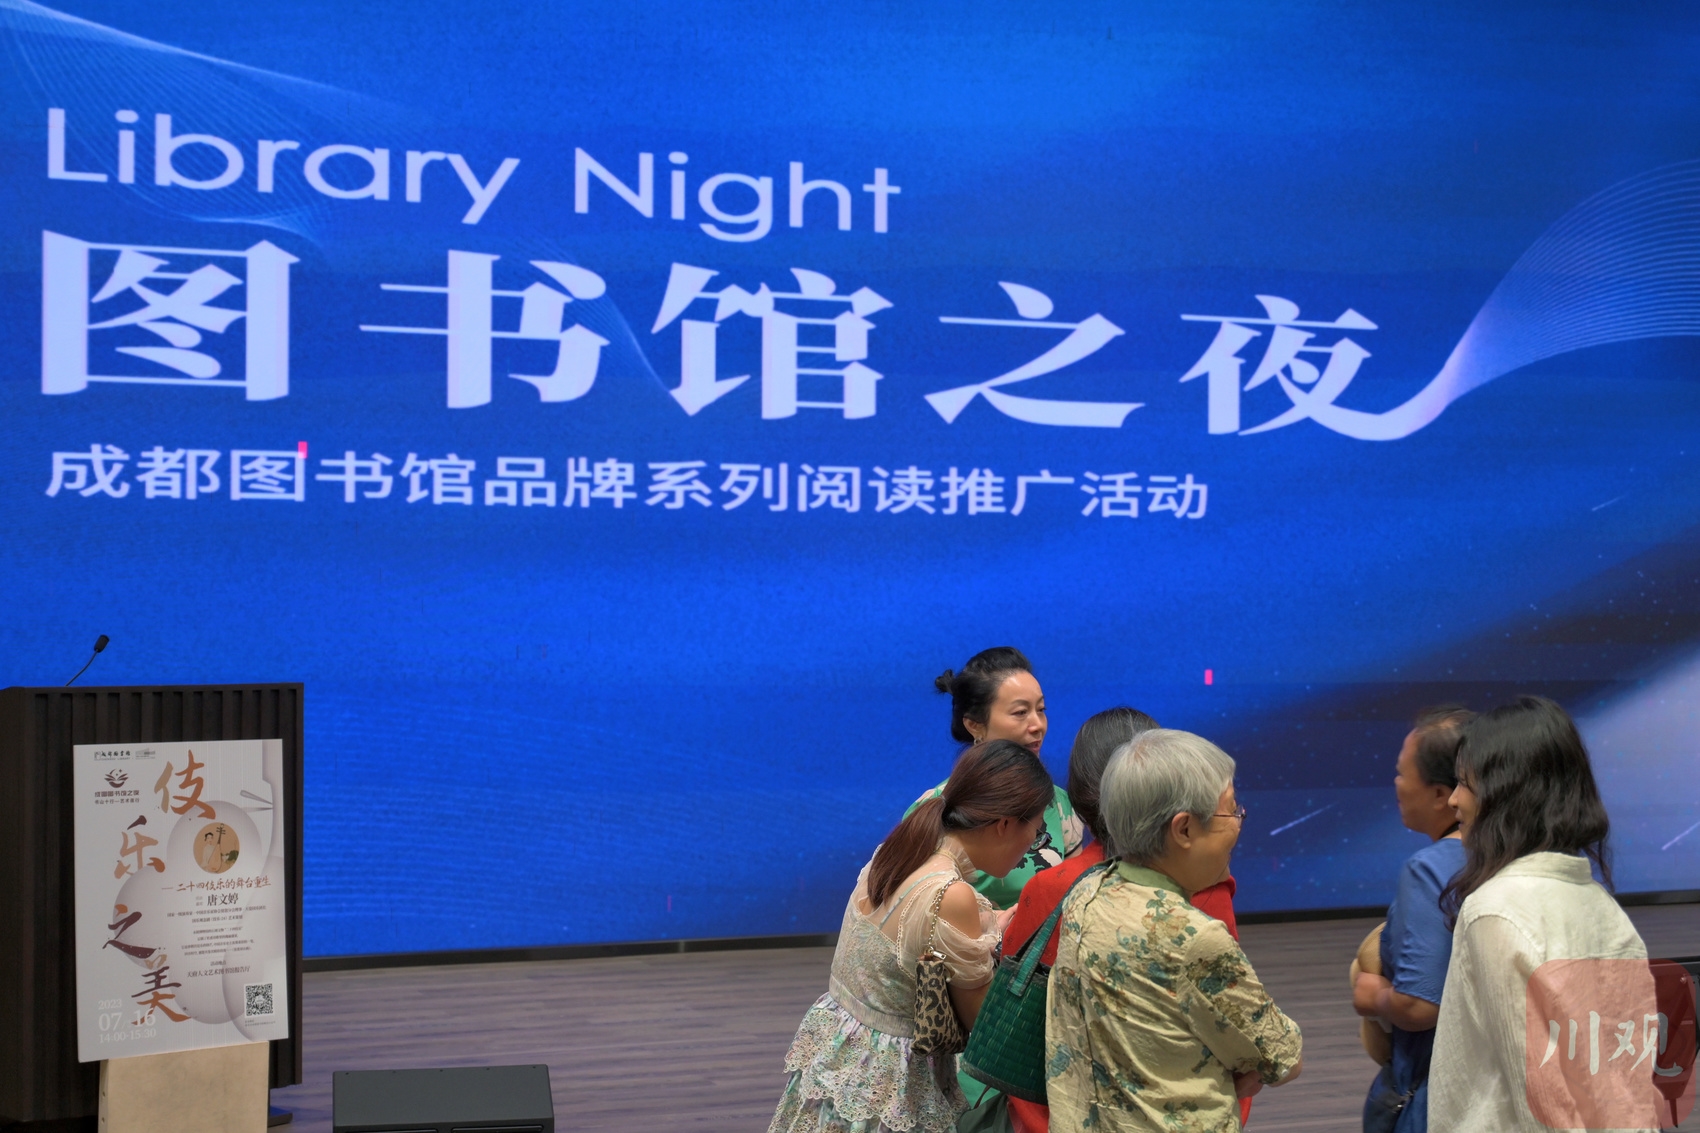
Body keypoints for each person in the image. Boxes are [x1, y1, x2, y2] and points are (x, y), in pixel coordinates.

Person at [770, 740, 1054, 1133]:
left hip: (840, 1050)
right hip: (889, 1080)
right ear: (1005, 824)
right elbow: (981, 1020)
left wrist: (986, 930)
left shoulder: (908, 844)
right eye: (1036, 832)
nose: (1032, 847)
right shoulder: (950, 894)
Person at [994, 708, 1246, 1133]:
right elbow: (1233, 1027)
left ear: (1080, 793)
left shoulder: (1048, 889)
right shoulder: (1204, 888)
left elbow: (1020, 1025)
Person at [1047, 729, 1303, 1132]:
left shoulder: (1085, 894)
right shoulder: (1192, 938)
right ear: (1183, 829)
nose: (1239, 823)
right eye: (1231, 811)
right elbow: (1284, 1057)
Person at [1428, 697, 1658, 1133]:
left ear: (1507, 794)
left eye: (1464, 783)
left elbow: (1541, 1102)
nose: (1454, 800)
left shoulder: (1495, 912)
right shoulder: (1605, 910)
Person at [1351, 706, 1474, 1133]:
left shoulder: (1431, 869)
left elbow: (1421, 1005)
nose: (1397, 783)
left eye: (1402, 773)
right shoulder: (1517, 854)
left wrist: (1375, 996)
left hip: (1436, 1095)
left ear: (1442, 794)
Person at [917, 648, 1084, 911]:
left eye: (1041, 709)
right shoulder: (936, 807)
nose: (1038, 725)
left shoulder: (1059, 804)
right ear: (974, 725)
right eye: (1020, 712)